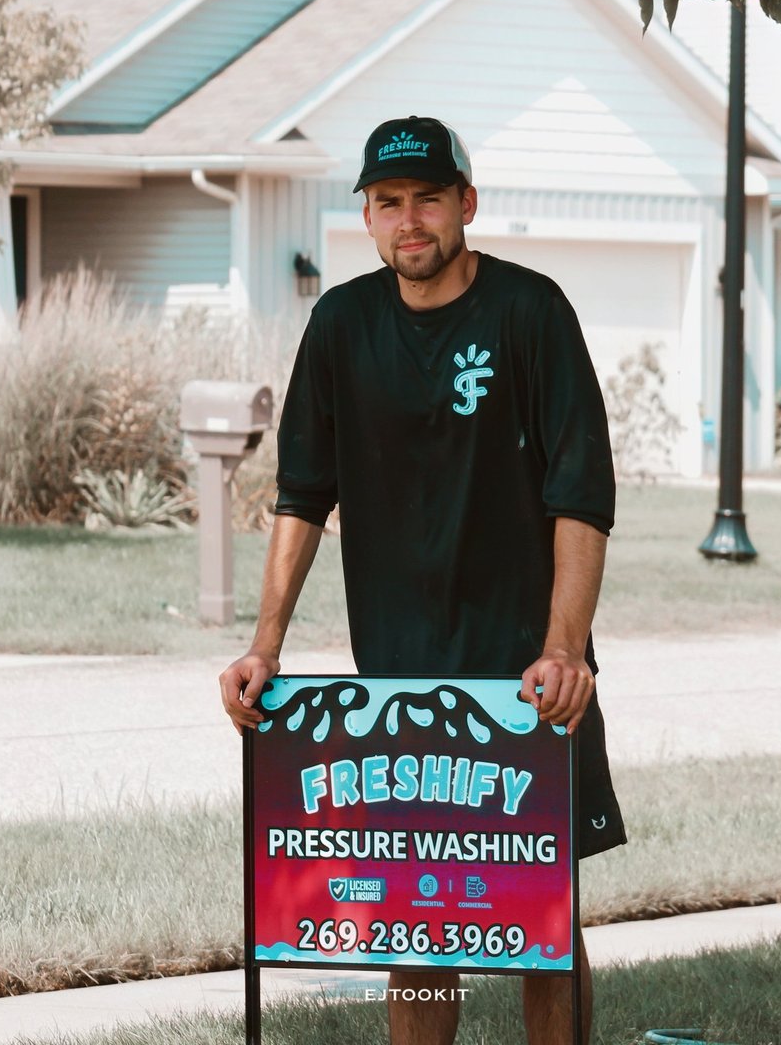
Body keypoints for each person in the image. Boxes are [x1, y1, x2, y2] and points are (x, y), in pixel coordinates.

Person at [218, 115, 625, 1045]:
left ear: (466, 203)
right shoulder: (341, 326)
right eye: (389, 201)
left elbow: (580, 494)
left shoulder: (531, 312)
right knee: (414, 918)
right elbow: (302, 496)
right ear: (367, 214)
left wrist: (564, 648)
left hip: (528, 674)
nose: (409, 220)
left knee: (541, 919)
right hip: (397, 678)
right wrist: (264, 646)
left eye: (429, 198)